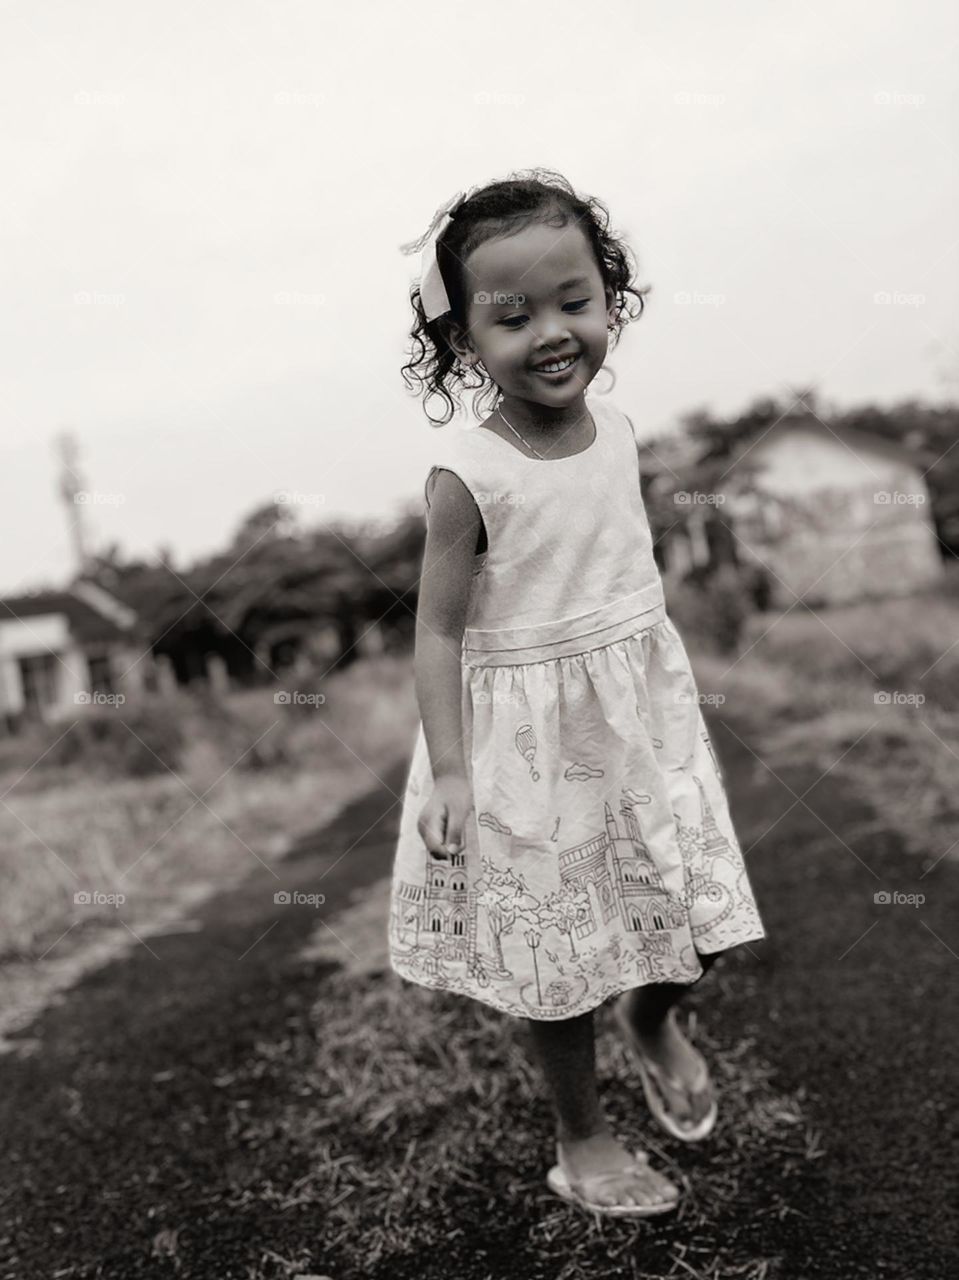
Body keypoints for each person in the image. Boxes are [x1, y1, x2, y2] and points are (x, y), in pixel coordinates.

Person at [387, 169, 767, 1218]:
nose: (550, 332)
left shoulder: (623, 433)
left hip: (636, 721)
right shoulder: (467, 473)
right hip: (524, 746)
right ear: (462, 338)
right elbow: (436, 629)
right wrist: (455, 770)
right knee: (559, 962)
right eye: (511, 316)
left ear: (610, 299)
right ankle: (582, 1137)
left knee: (699, 922)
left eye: (573, 300)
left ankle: (652, 1019)